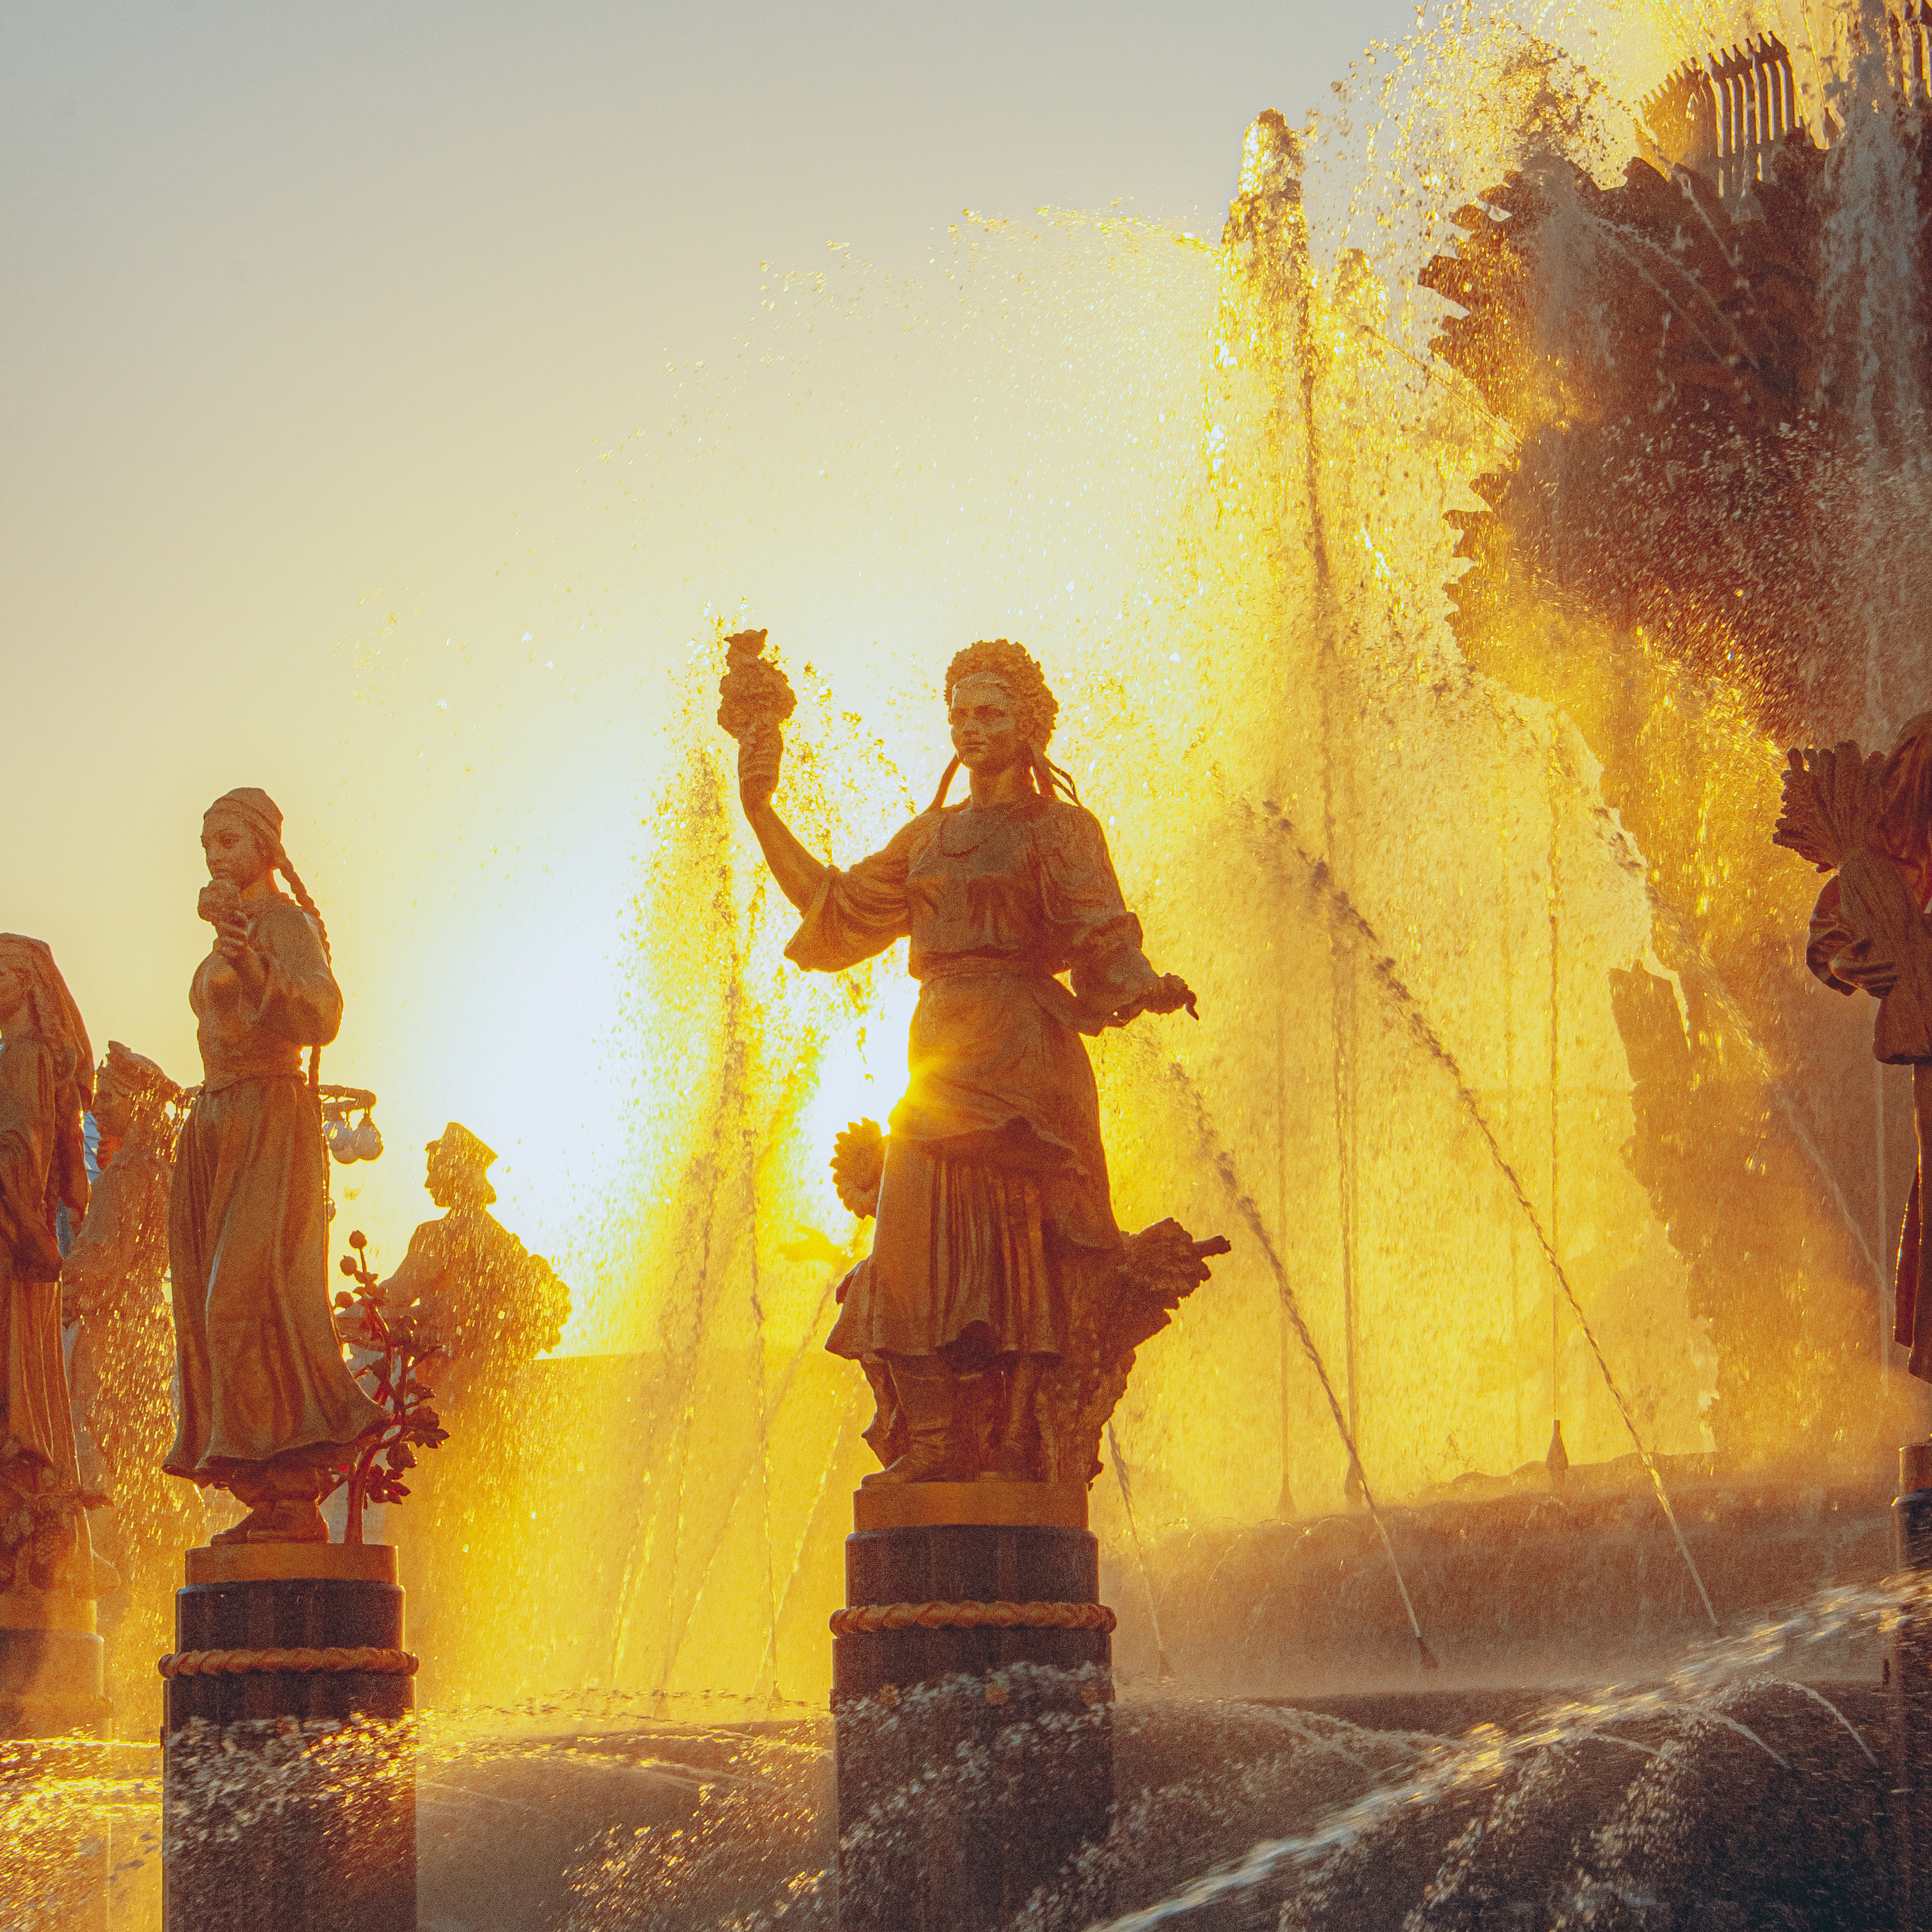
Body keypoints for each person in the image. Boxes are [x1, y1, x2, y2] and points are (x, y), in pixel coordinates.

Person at [735, 638, 1195, 1482]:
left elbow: (1103, 935)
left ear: (1029, 723)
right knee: (905, 1256)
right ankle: (939, 1441)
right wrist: (759, 807)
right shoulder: (929, 837)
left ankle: (1010, 1442)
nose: (970, 728)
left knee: (1027, 1256)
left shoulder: (1062, 829)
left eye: (990, 712)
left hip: (1025, 1053)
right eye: (958, 714)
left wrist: (1144, 983)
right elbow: (835, 907)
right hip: (941, 1050)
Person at [164, 788, 383, 1542]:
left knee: (243, 1300)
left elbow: (321, 1014)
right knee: (206, 1307)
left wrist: (257, 966)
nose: (214, 855)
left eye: (227, 840)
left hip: (268, 1119)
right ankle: (270, 1500)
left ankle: (294, 1478)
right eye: (207, 846)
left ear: (263, 845)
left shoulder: (283, 924)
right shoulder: (230, 935)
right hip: (217, 1128)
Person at [0, 935, 97, 1593]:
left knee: (16, 1382)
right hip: (23, 1246)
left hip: (11, 1244)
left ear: (30, 986)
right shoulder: (34, 1060)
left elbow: (17, 1147)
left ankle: (22, 1508)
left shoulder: (24, 1056)